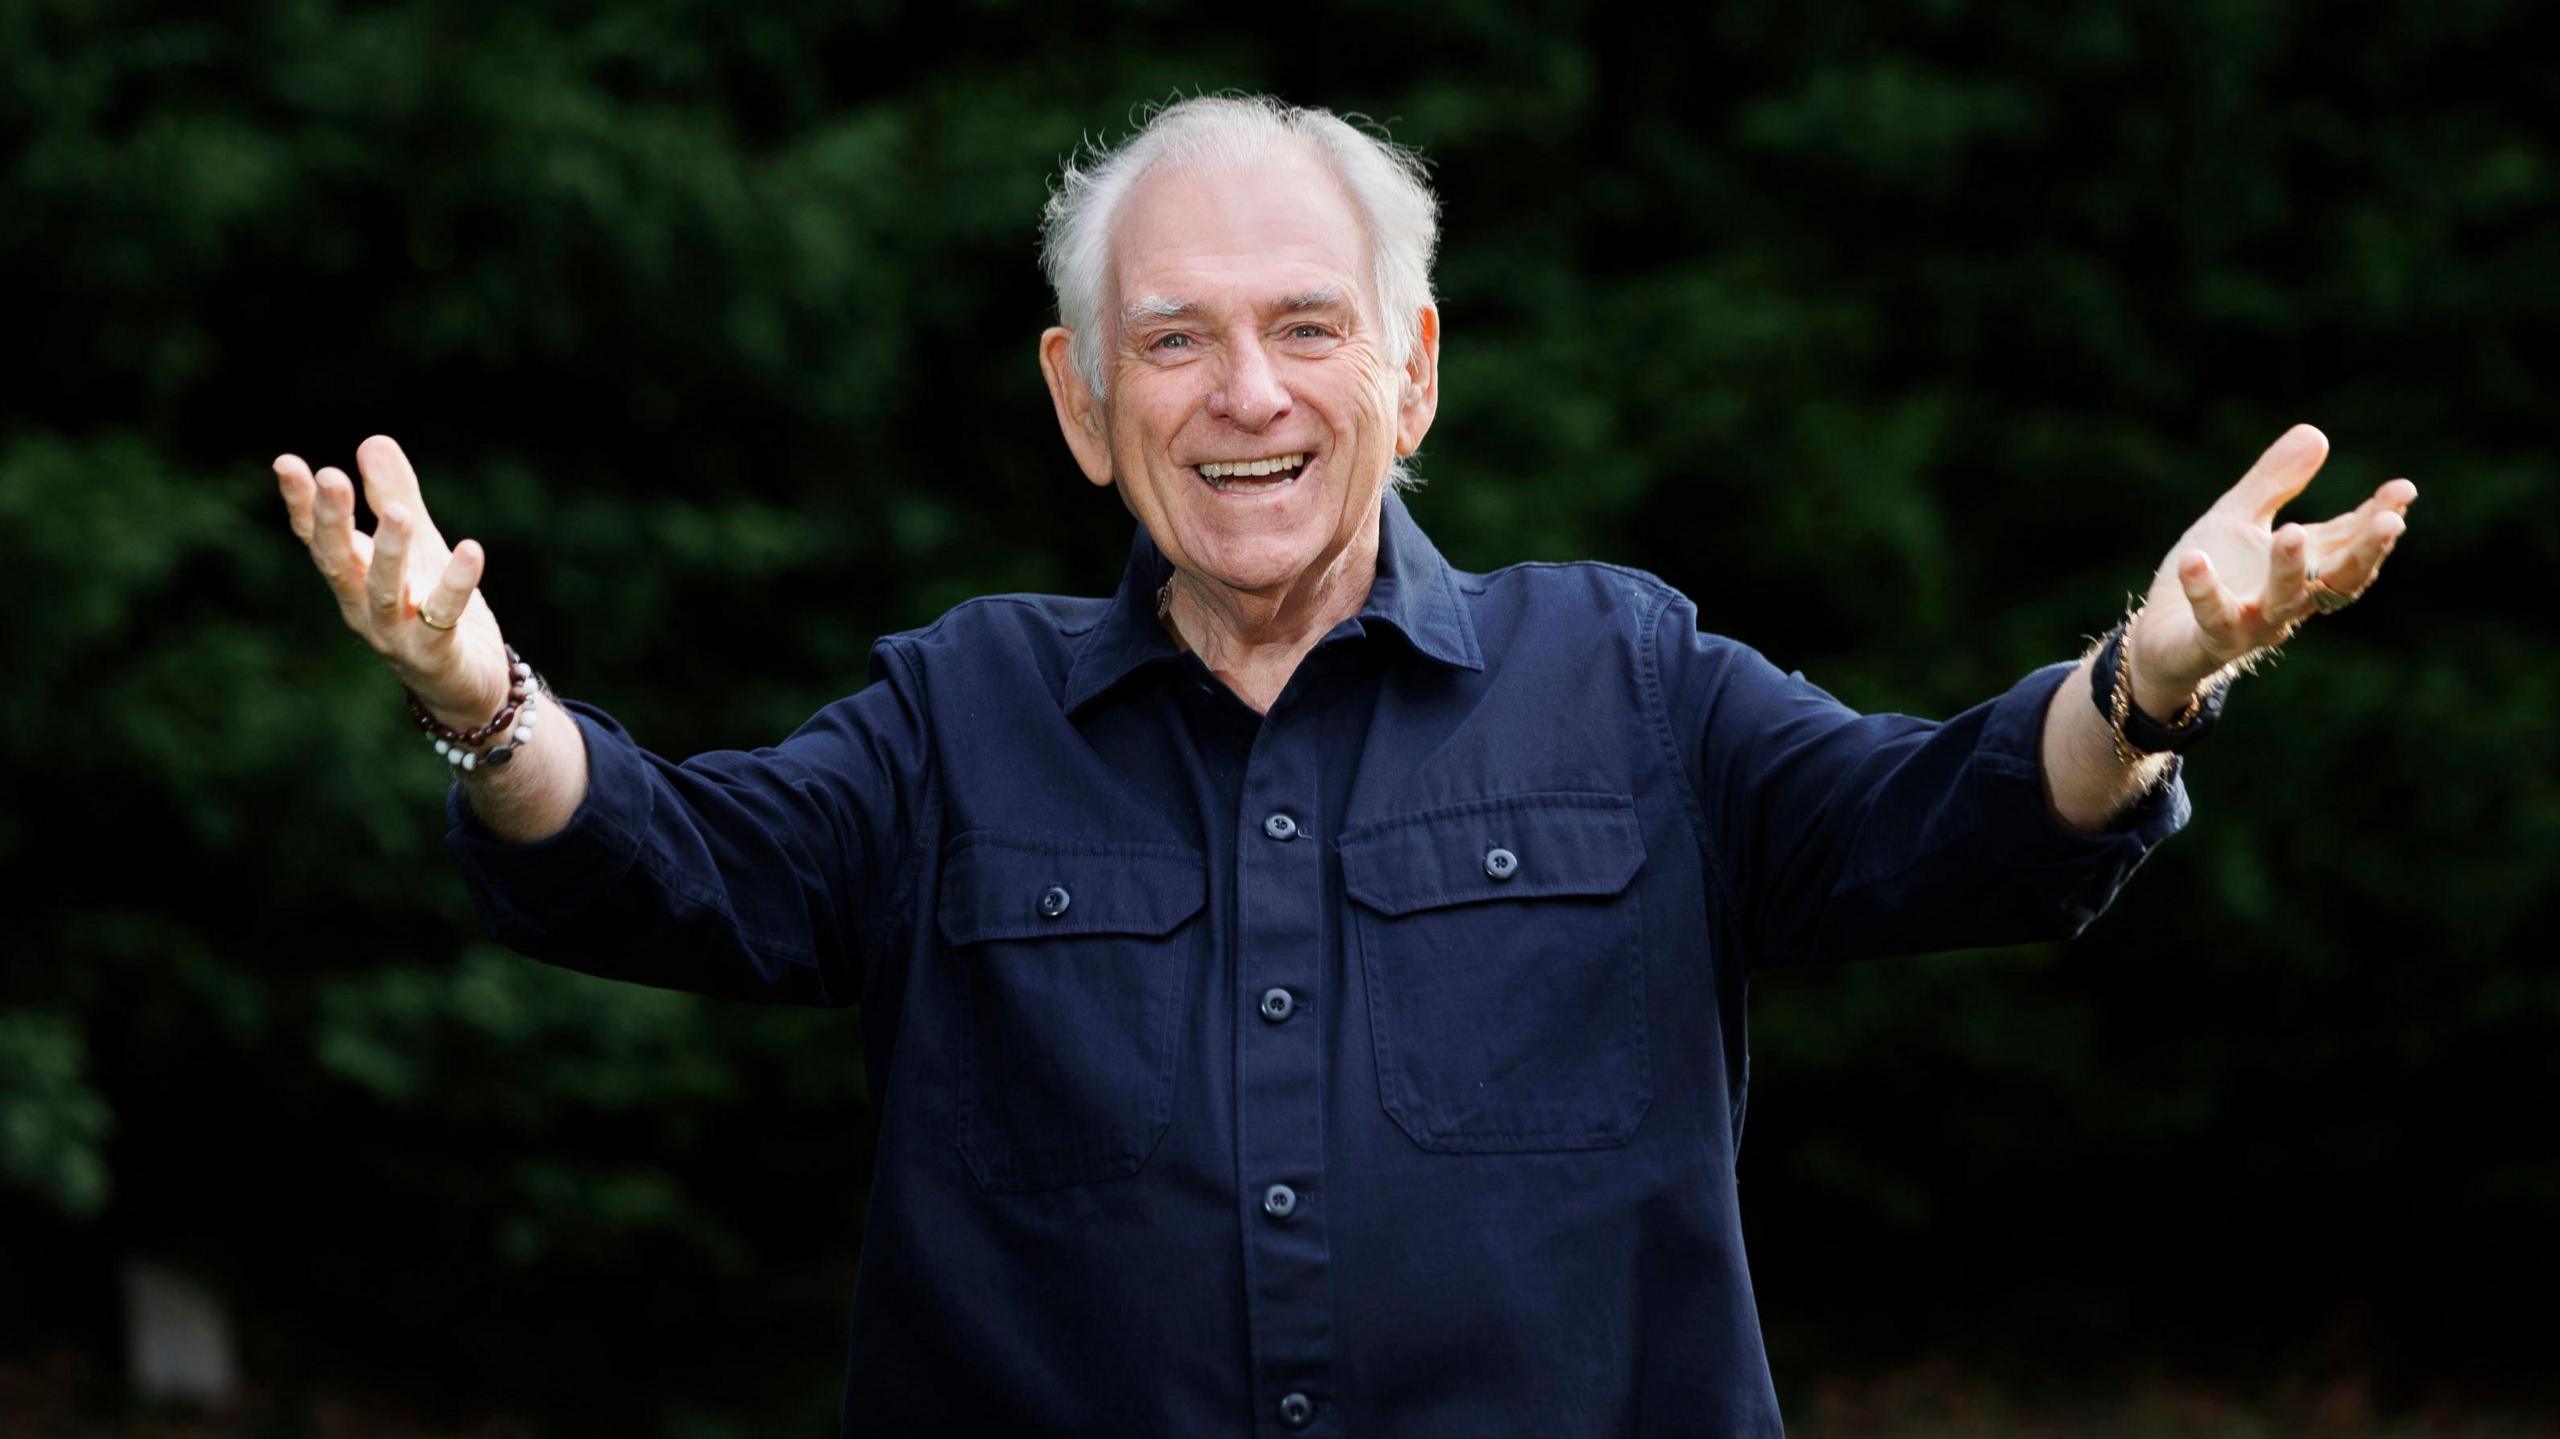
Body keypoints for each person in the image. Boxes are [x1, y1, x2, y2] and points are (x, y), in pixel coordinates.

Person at [271, 94, 2412, 1438]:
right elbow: (664, 868)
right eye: (1172, 339)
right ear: (1078, 400)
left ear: (1410, 368)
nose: (1242, 393)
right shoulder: (954, 714)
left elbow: (1933, 822)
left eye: (1304, 326)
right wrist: (484, 698)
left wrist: (2137, 684)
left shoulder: (1632, 675)